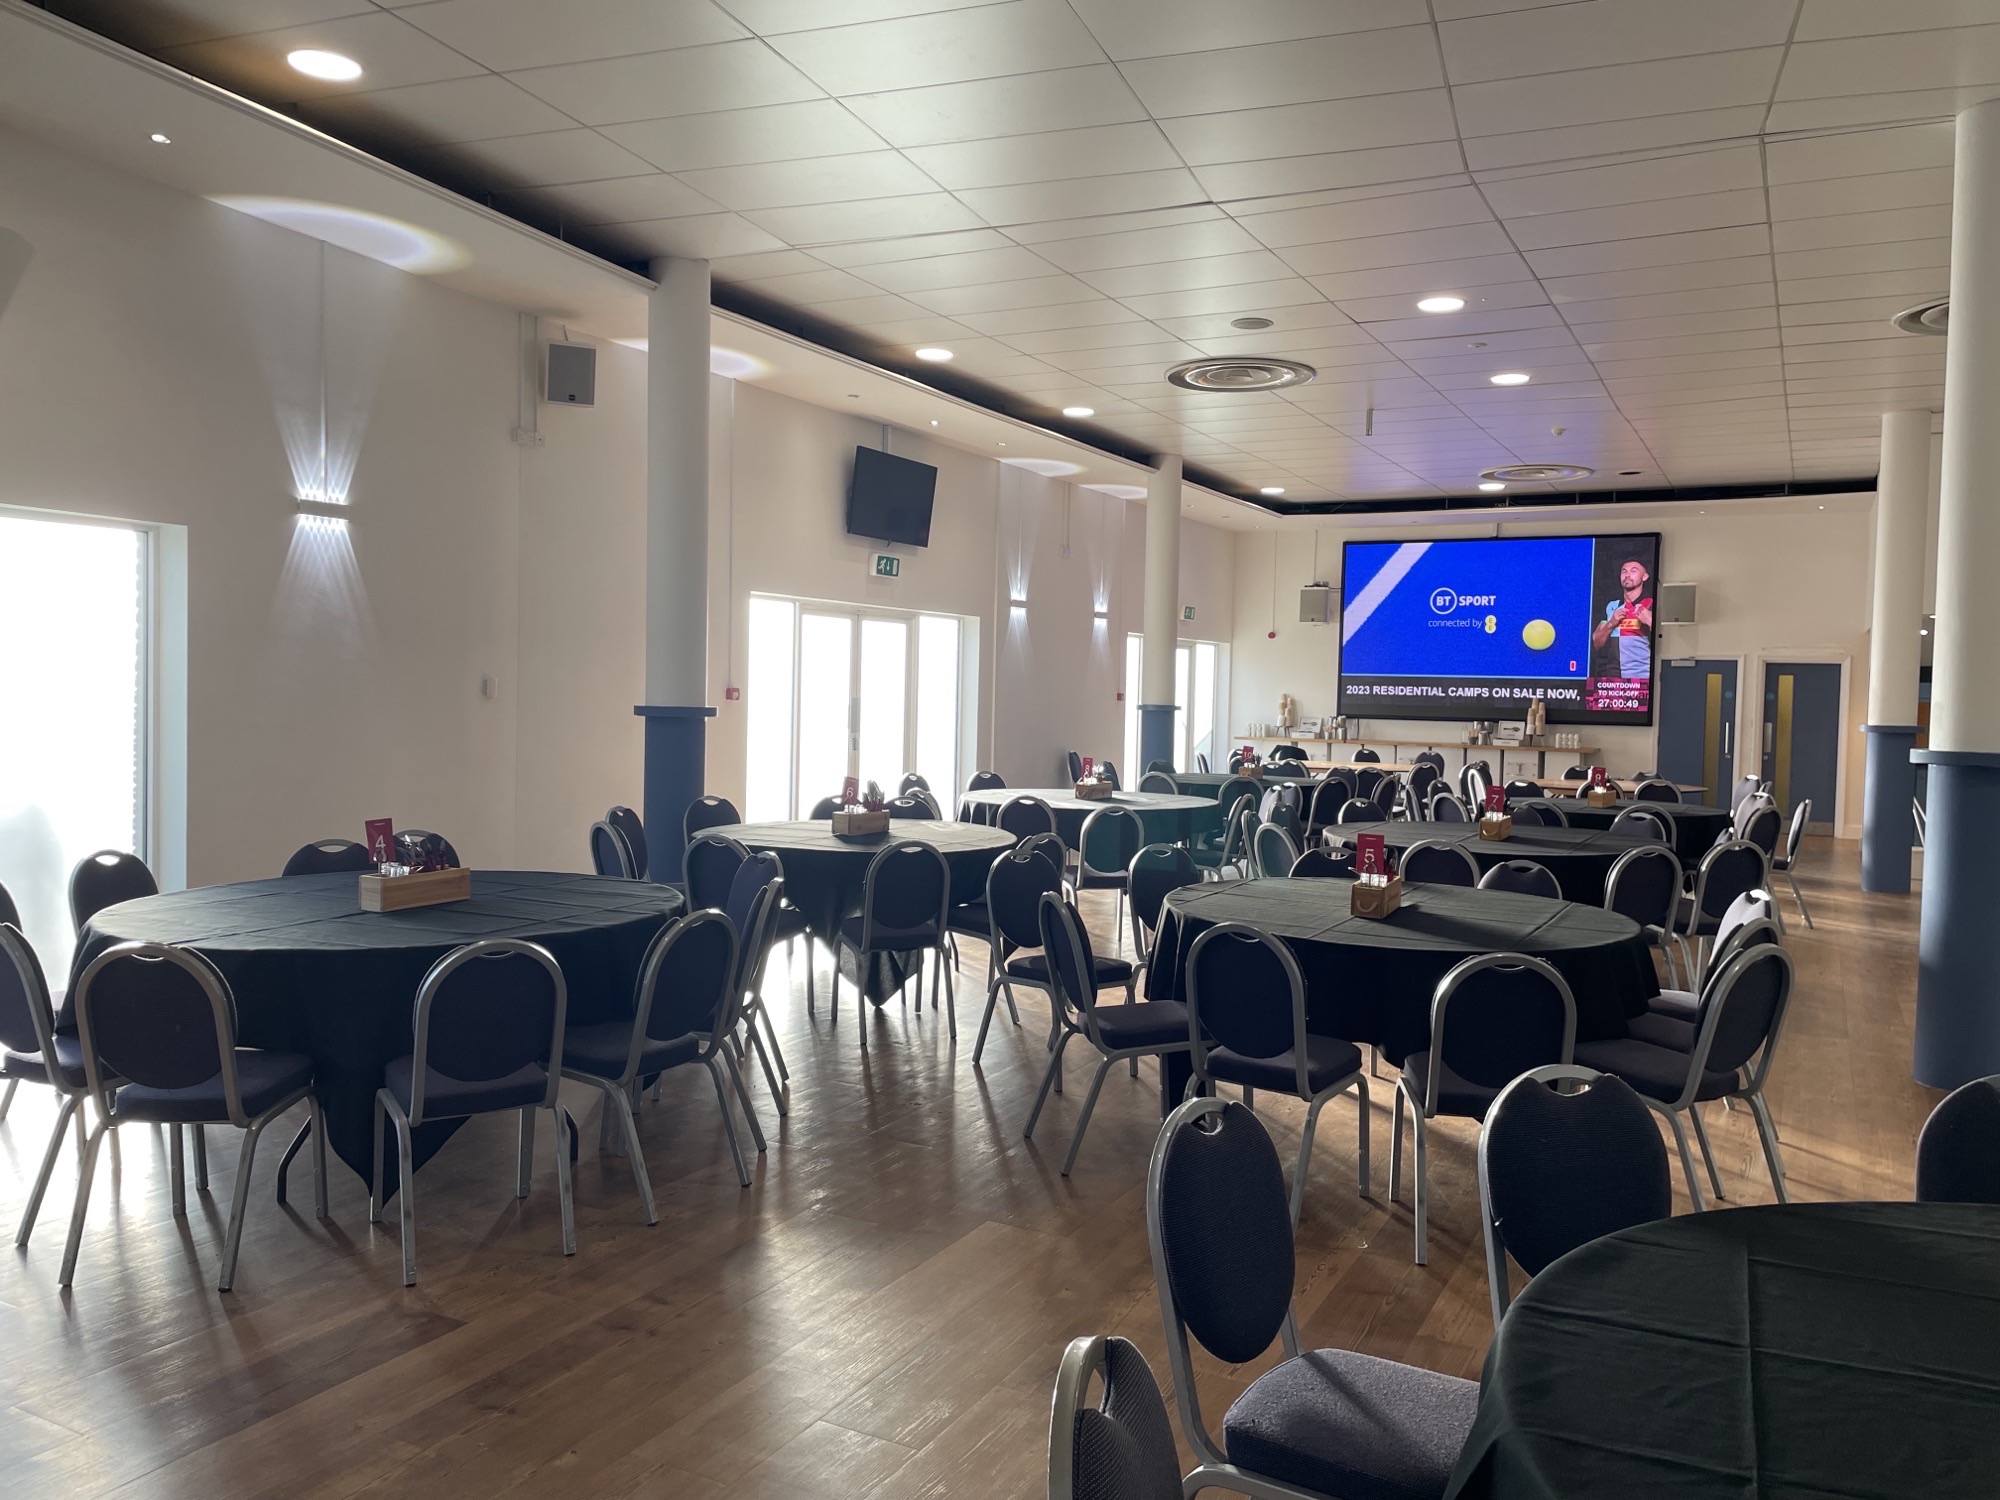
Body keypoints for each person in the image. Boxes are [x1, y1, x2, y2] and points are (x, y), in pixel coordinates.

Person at [1592, 556, 1654, 679]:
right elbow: (1597, 643)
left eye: (1634, 571)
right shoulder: (1612, 606)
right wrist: (1611, 623)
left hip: (1643, 678)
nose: (1627, 575)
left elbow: (1666, 639)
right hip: (1614, 678)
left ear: (1645, 576)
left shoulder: (1651, 604)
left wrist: (1649, 620)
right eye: (1624, 571)